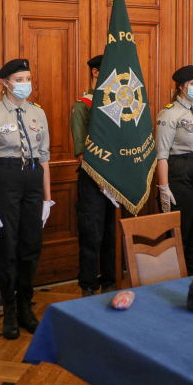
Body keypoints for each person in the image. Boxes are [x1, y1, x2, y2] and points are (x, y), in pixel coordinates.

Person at [0, 58, 53, 339]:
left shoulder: (37, 113)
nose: (25, 84)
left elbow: (44, 158)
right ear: (6, 84)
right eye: (19, 80)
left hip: (32, 179)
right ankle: (9, 307)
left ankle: (25, 306)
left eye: (28, 79)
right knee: (7, 247)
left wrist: (47, 199)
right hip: (5, 179)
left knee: (31, 246)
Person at [155, 65, 193, 275]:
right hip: (181, 171)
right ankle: (176, 277)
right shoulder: (169, 113)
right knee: (181, 229)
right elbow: (162, 155)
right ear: (181, 86)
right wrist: (164, 188)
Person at [70, 54, 119, 297]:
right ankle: (88, 286)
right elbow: (81, 152)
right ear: (96, 72)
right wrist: (101, 181)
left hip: (114, 179)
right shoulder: (83, 105)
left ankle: (109, 281)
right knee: (91, 234)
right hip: (92, 181)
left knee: (111, 233)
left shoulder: (116, 105)